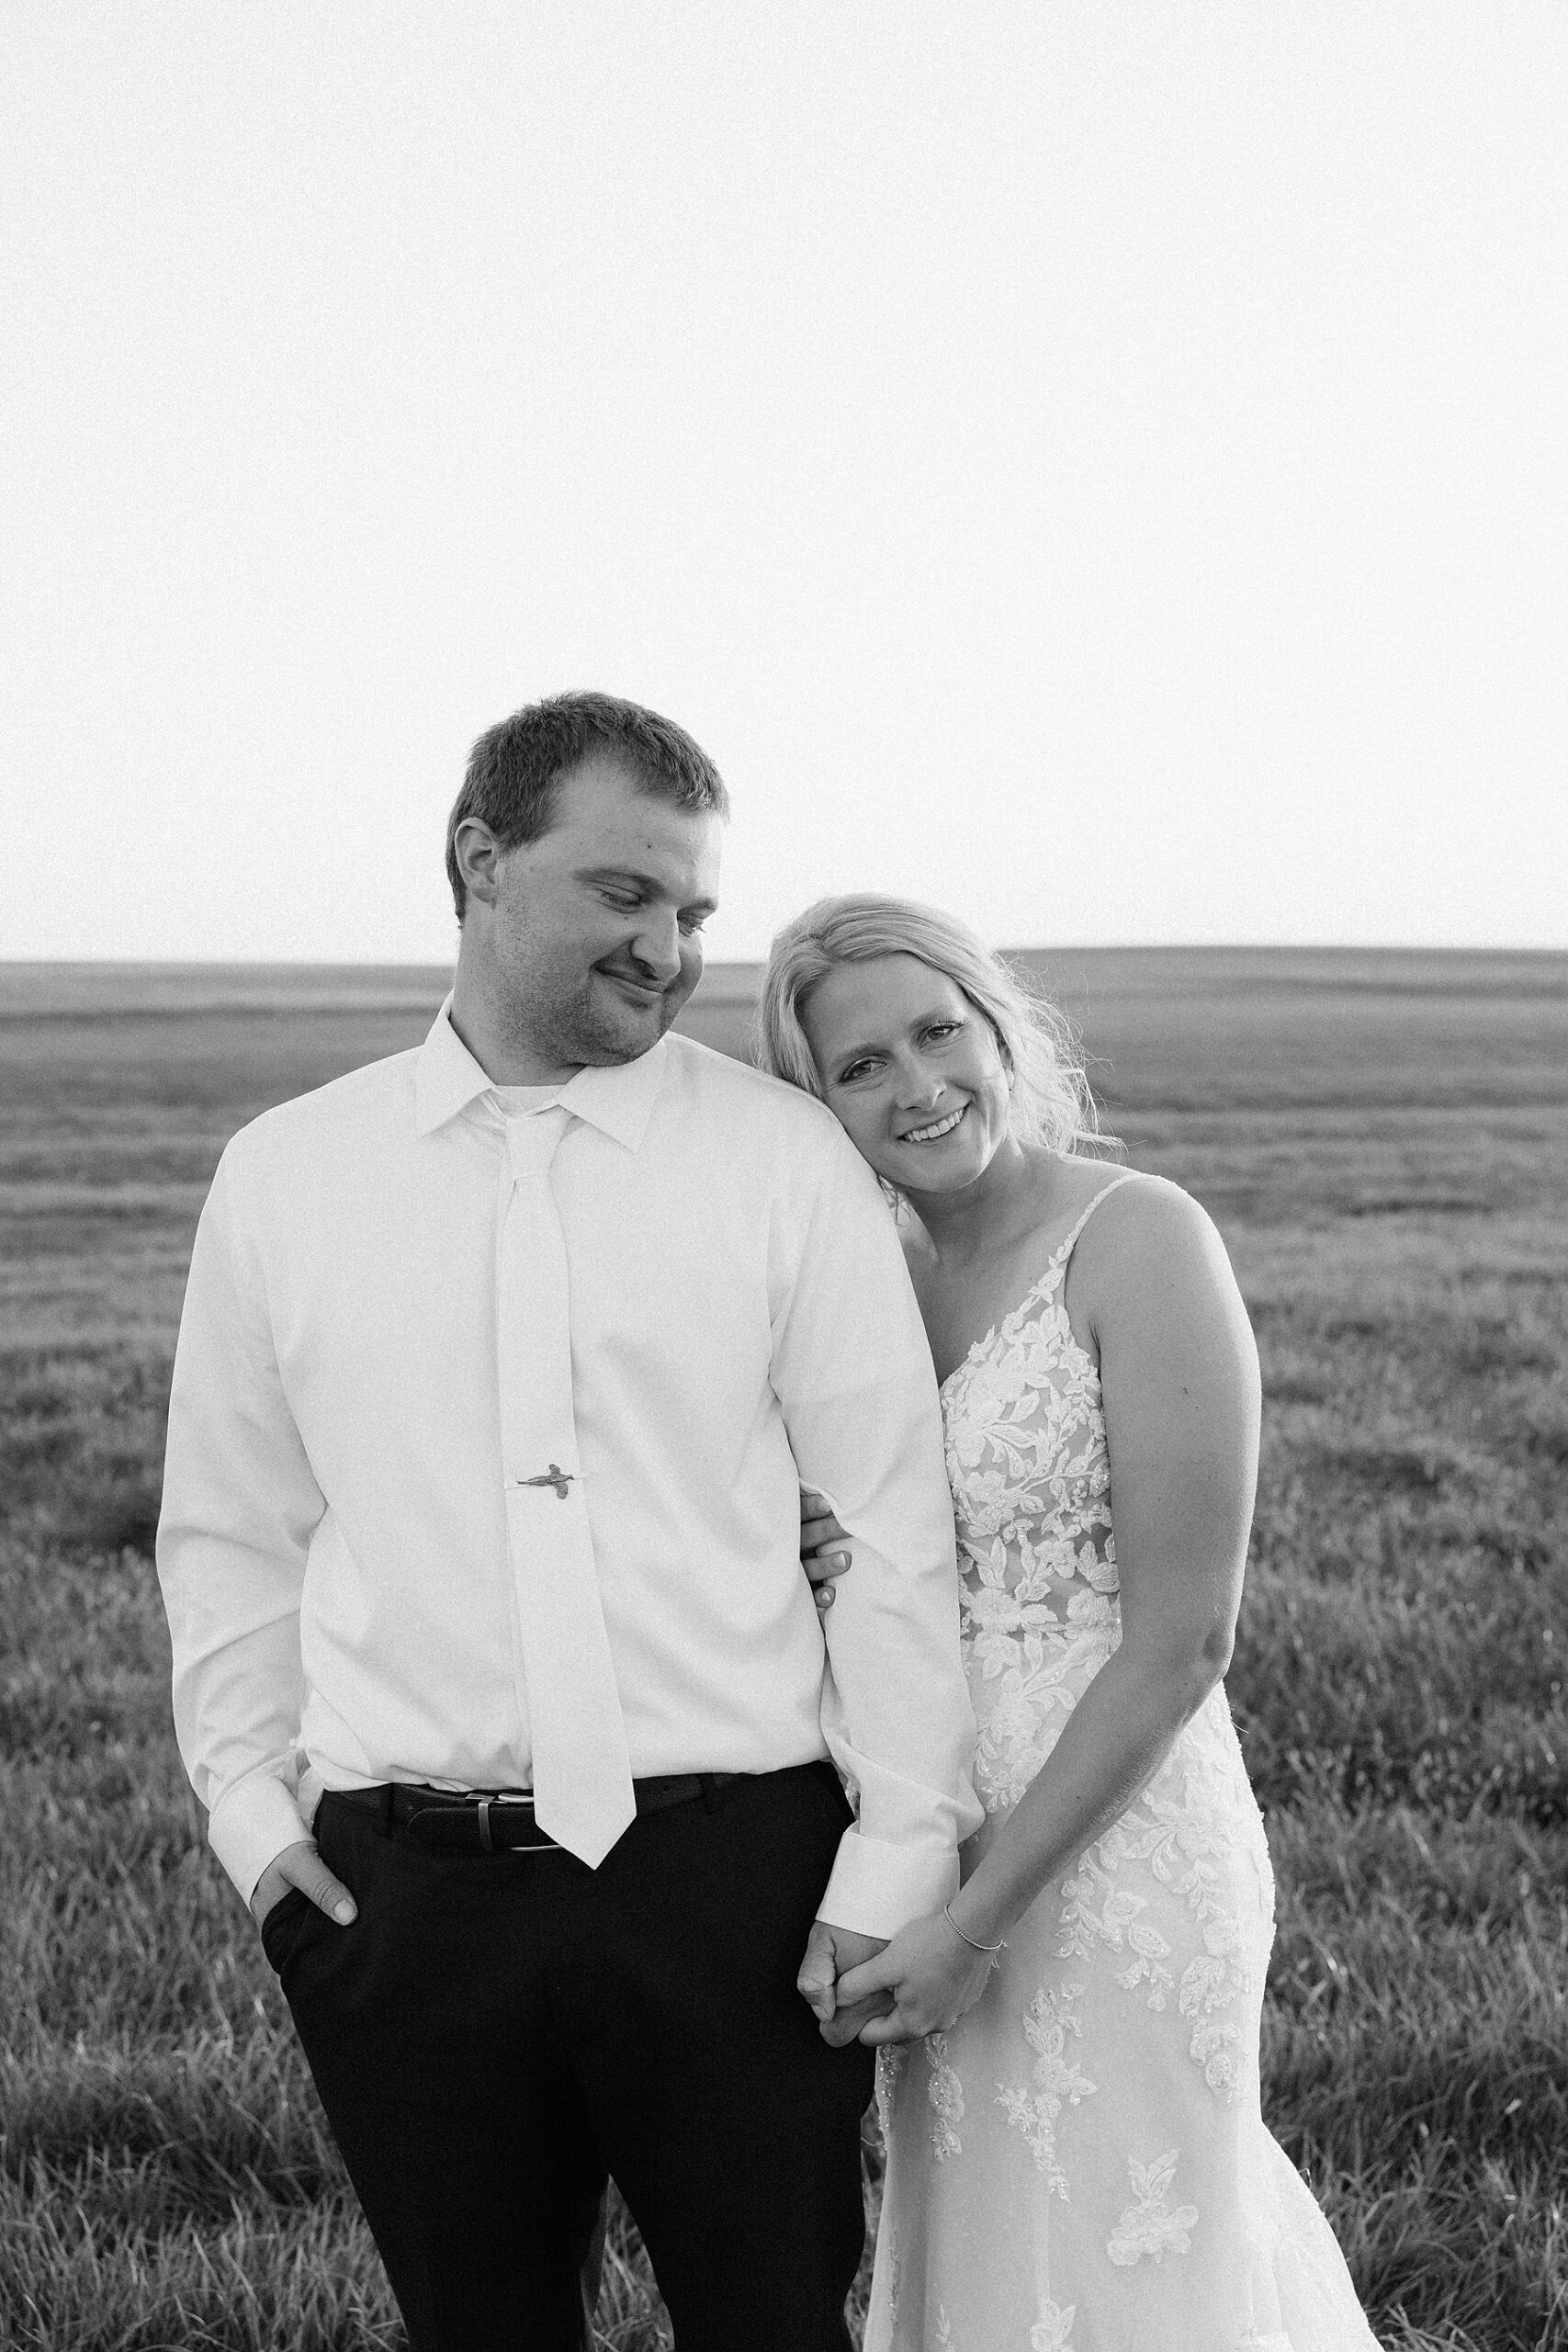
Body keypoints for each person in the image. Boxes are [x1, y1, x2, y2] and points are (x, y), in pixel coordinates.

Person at [155, 699, 981, 2352]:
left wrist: (897, 1849)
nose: (669, 949)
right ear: (479, 862)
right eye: (626, 895)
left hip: (743, 1889)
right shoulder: (286, 1176)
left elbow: (892, 1522)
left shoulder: (780, 1163)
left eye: (692, 912)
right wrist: (254, 1824)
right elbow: (232, 1529)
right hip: (405, 1907)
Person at [760, 895, 1380, 2352]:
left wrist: (979, 1924)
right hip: (928, 1826)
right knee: (980, 2245)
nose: (916, 1086)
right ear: (816, 1105)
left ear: (997, 1026)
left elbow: (1186, 1641)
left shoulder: (1138, 1236)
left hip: (1116, 1845)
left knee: (1138, 2239)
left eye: (936, 1032)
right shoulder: (874, 1287)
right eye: (860, 1067)